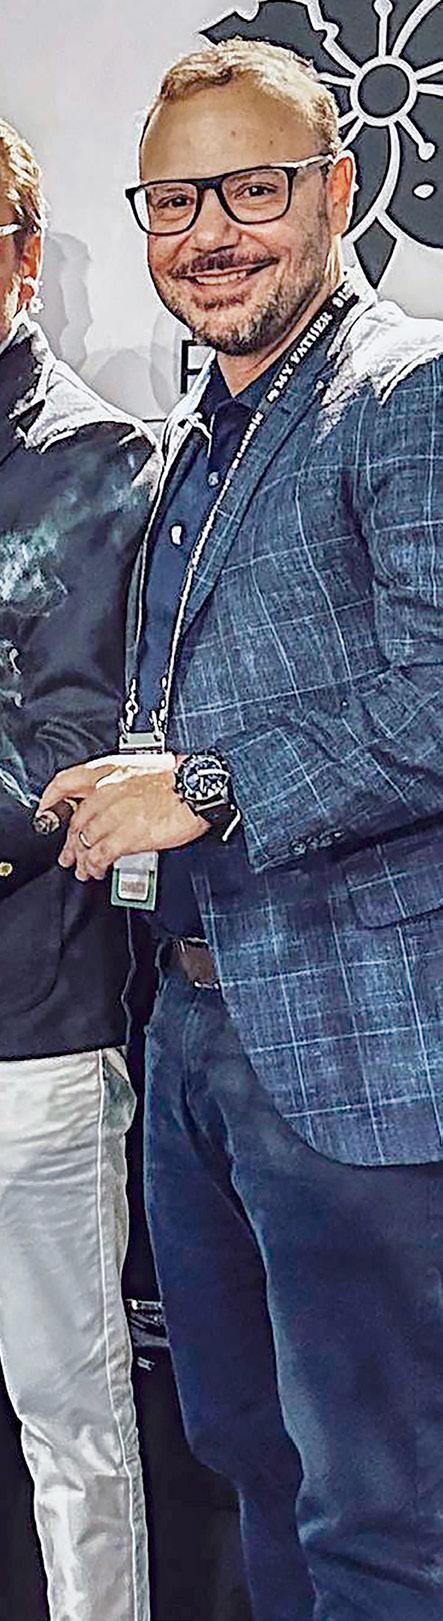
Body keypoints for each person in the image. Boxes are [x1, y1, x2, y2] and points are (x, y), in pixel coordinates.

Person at [39, 37, 443, 1621]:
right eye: (174, 201)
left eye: (252, 190)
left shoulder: (406, 393)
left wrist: (207, 785)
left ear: (339, 189)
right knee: (250, 1461)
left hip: (355, 1052)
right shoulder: (199, 432)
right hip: (196, 1034)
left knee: (380, 1512)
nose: (210, 234)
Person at [0, 118, 160, 1621]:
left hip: (28, 1033)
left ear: (24, 258)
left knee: (71, 1423)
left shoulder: (92, 459)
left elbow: (65, 775)